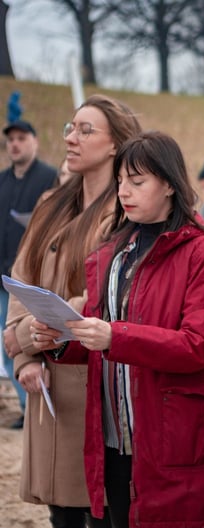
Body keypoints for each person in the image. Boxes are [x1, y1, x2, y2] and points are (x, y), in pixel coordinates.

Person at [32, 130, 204, 528]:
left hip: (175, 440)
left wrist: (115, 336)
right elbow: (99, 339)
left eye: (137, 181)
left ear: (169, 184)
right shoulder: (113, 251)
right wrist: (59, 339)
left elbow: (198, 346)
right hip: (114, 439)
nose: (124, 191)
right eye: (121, 180)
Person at [4, 94, 140, 528]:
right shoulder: (50, 203)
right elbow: (21, 282)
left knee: (108, 526)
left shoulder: (126, 210)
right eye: (70, 126)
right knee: (60, 526)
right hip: (48, 385)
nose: (70, 137)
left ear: (115, 145)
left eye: (85, 130)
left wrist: (63, 322)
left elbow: (124, 295)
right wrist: (24, 352)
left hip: (99, 385)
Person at [0, 119, 56, 428]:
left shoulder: (48, 178)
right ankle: (24, 405)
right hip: (3, 277)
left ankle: (32, 405)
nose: (15, 144)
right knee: (8, 343)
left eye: (22, 138)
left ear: (34, 141)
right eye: (11, 140)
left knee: (32, 341)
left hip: (32, 278)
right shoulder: (2, 181)